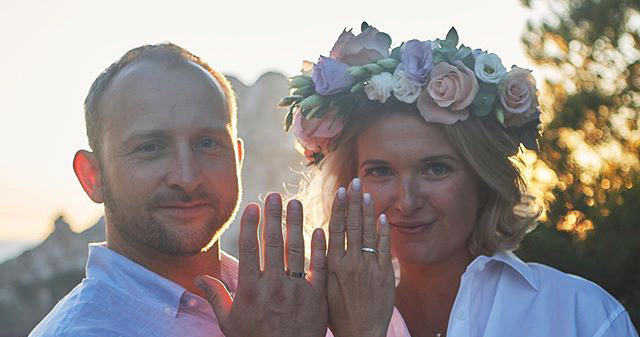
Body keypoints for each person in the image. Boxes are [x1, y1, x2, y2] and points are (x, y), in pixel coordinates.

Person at [280, 23, 639, 337]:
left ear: (482, 180)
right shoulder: (307, 324)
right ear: (349, 185)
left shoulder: (582, 316)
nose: (407, 201)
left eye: (436, 169)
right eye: (381, 171)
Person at [30, 43, 329, 337]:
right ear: (93, 176)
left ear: (237, 159)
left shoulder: (293, 306)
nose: (186, 177)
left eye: (207, 143)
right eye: (151, 148)